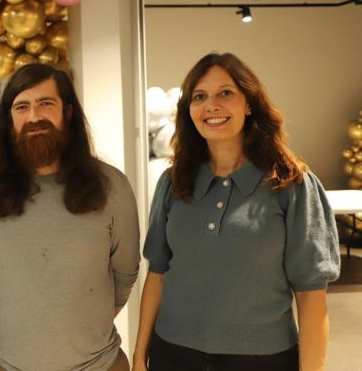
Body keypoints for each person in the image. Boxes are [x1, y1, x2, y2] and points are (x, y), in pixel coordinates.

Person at [133, 53, 341, 371]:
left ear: (249, 104)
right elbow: (157, 274)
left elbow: (310, 293)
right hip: (172, 355)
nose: (211, 106)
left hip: (262, 361)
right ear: (189, 110)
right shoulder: (173, 182)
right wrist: (139, 357)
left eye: (226, 93)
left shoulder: (292, 184)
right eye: (199, 97)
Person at [0, 64, 140, 371]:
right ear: (9, 120)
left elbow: (125, 272)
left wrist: (81, 324)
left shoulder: (111, 186)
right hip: (5, 365)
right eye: (22, 107)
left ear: (69, 112)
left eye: (46, 103)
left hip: (99, 365)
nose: (34, 116)